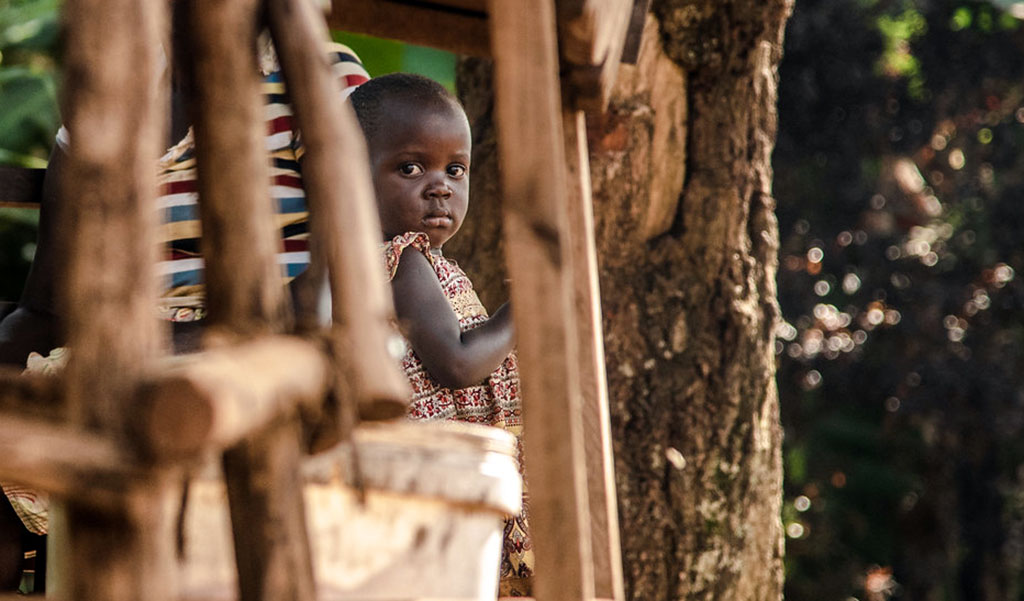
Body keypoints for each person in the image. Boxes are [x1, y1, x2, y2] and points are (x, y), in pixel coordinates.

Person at [0, 20, 370, 590]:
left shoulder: (316, 77)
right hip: (114, 351)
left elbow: (330, 285)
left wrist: (155, 346)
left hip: (257, 358)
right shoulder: (102, 108)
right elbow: (45, 309)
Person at [349, 73, 533, 597]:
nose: (440, 186)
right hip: (440, 476)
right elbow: (455, 362)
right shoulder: (400, 260)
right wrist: (524, 311)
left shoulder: (420, 263)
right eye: (410, 167)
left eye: (456, 169)